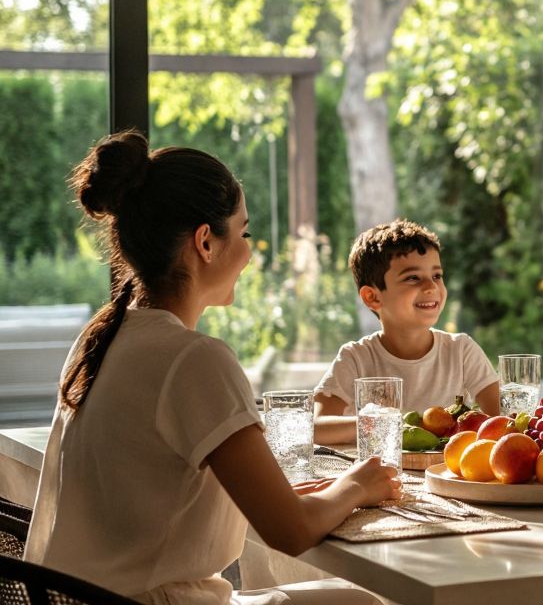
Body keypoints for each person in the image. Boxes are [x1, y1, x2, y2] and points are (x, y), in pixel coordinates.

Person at [25, 131, 400, 605]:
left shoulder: (100, 338)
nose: (248, 251)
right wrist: (357, 484)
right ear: (206, 241)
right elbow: (291, 530)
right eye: (243, 233)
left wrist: (307, 492)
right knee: (363, 601)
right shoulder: (194, 358)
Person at [312, 220, 499, 444]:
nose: (431, 287)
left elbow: (500, 420)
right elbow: (317, 427)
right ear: (373, 297)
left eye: (437, 276)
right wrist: (385, 424)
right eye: (412, 278)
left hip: (446, 474)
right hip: (381, 473)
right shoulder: (356, 358)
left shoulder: (461, 350)